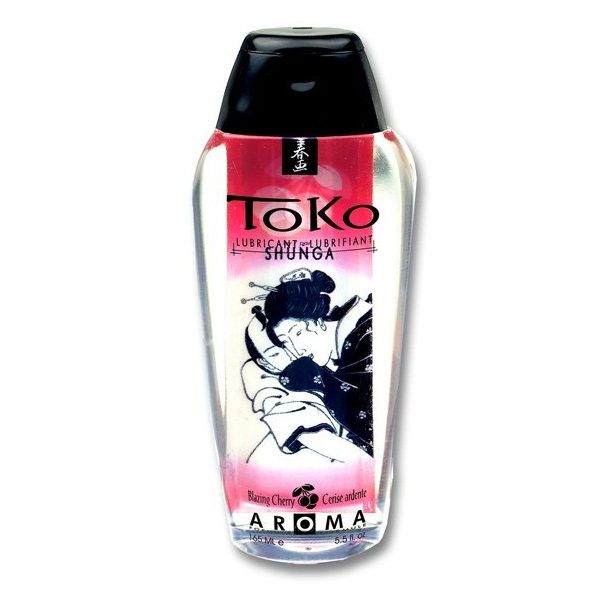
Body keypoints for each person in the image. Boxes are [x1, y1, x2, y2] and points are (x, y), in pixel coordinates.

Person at [260, 268, 374, 456]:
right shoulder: (344, 351)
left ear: (319, 321)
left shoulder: (368, 334)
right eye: (286, 343)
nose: (297, 351)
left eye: (297, 333)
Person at [241, 310, 368, 465]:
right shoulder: (271, 386)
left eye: (297, 335)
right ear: (265, 363)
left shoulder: (327, 357)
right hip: (303, 464)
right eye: (275, 354)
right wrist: (367, 464)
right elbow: (310, 434)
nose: (292, 354)